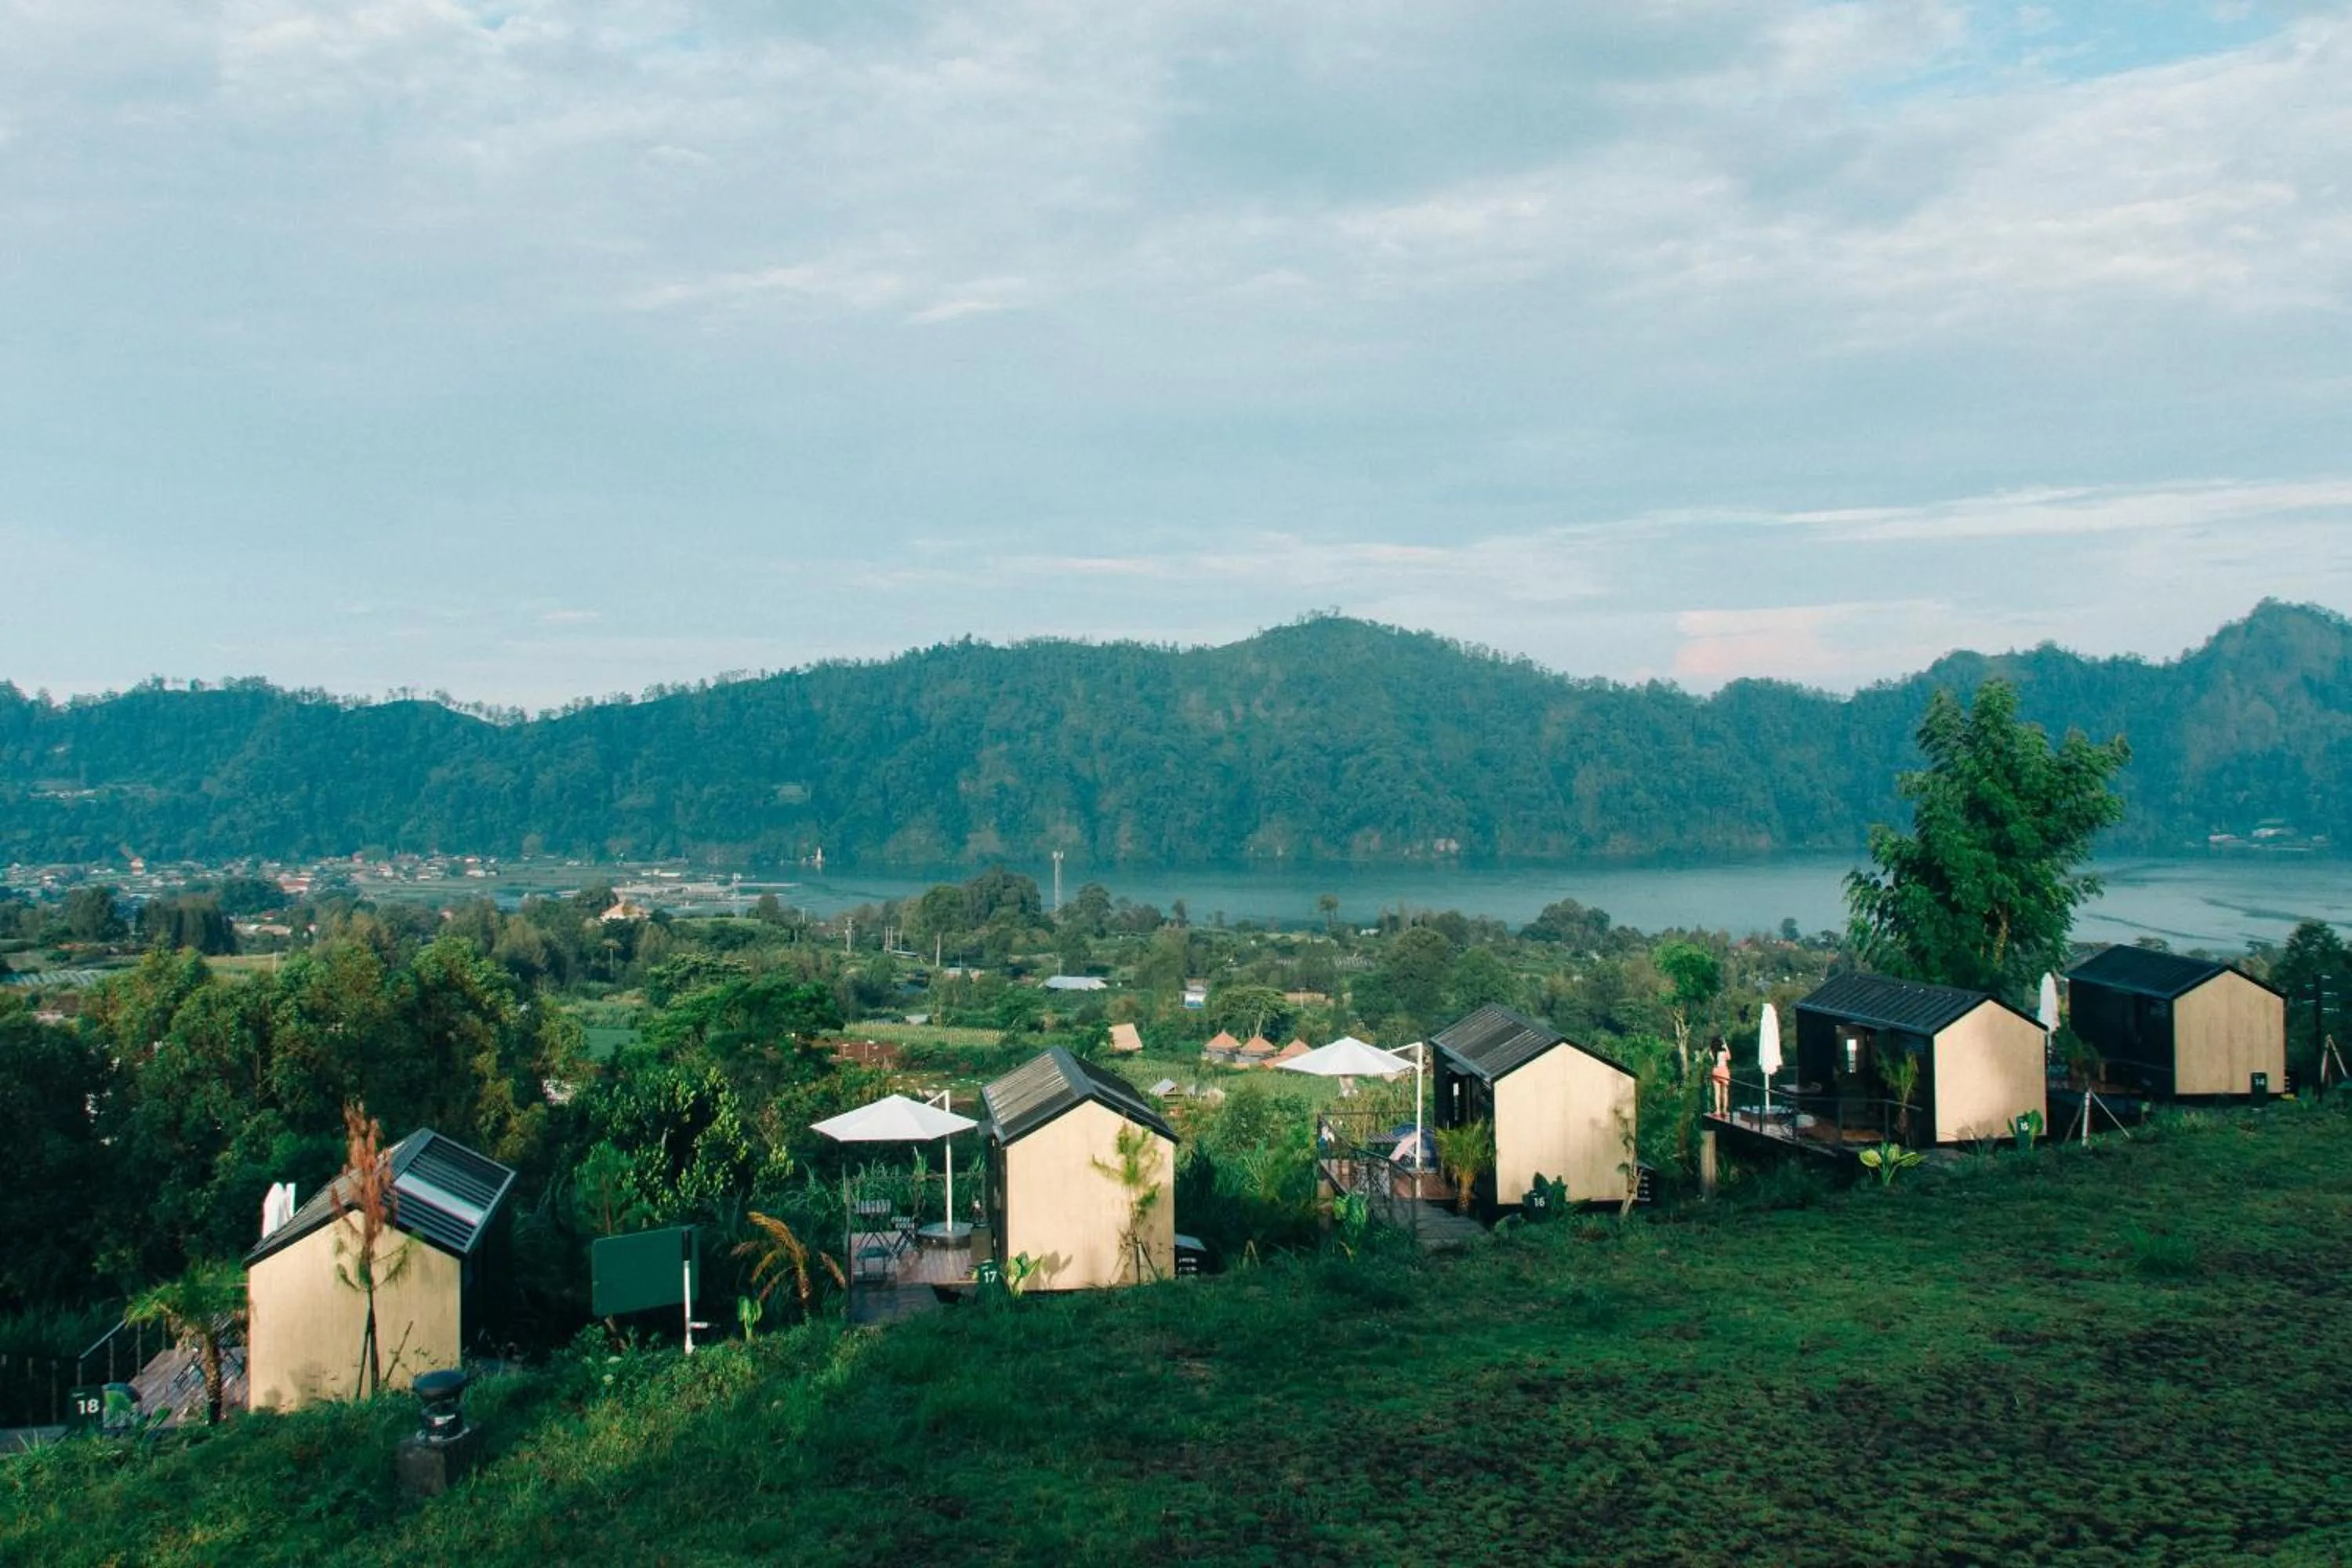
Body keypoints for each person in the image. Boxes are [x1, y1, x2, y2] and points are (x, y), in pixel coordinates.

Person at [1709, 1037, 1733, 1117]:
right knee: (1725, 1093)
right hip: (1724, 1072)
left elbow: (1713, 1060)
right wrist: (1726, 1046)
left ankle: (1718, 1110)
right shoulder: (1723, 1051)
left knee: (1717, 1093)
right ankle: (1724, 1110)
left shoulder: (1712, 1052)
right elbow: (1729, 1057)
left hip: (1715, 1071)